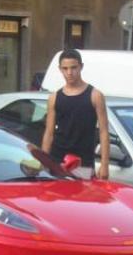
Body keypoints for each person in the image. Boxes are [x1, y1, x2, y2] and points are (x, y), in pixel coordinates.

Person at [41, 49, 109, 180]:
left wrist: (104, 164)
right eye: (65, 68)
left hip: (83, 162)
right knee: (58, 196)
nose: (69, 72)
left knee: (82, 197)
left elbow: (104, 132)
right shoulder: (54, 97)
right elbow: (49, 133)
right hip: (57, 160)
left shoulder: (95, 96)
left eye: (73, 67)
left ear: (81, 67)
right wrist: (44, 161)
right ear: (60, 69)